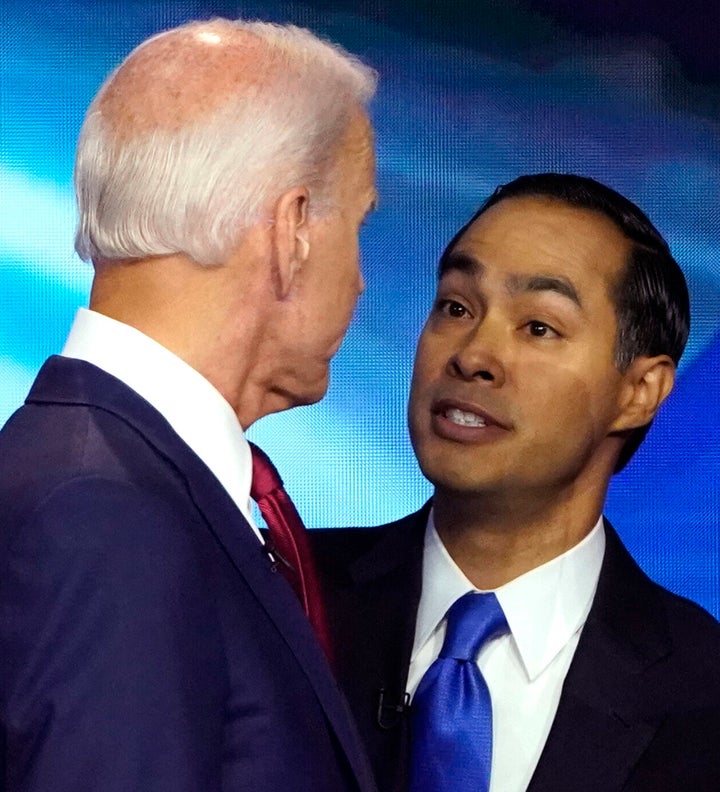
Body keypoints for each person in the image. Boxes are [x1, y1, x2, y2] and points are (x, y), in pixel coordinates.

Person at [0, 18, 378, 792]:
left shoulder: (101, 472)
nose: (364, 281)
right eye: (359, 225)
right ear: (293, 231)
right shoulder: (106, 517)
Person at [313, 174, 720, 792]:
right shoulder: (281, 589)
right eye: (456, 307)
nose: (473, 355)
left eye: (538, 327)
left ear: (639, 393)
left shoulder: (703, 687)